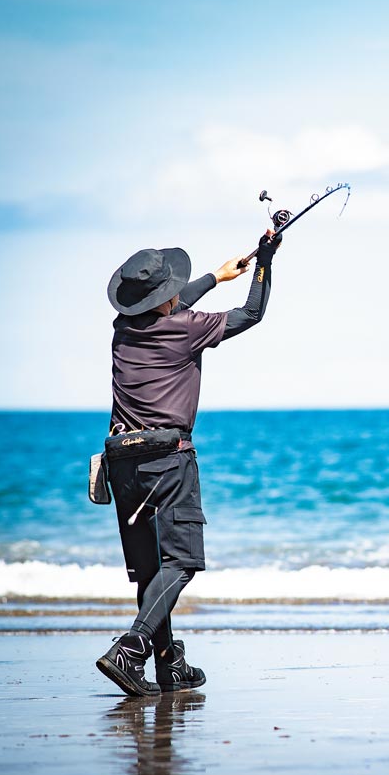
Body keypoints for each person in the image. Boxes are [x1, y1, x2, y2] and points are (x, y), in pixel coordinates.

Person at [95, 230, 281, 696]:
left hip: (123, 461)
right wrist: (264, 262)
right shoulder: (186, 328)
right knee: (181, 563)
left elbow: (169, 305)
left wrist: (217, 277)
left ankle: (168, 668)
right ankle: (131, 647)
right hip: (166, 460)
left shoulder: (122, 331)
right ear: (165, 298)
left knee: (150, 570)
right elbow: (252, 313)